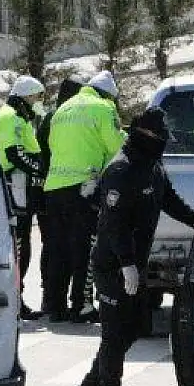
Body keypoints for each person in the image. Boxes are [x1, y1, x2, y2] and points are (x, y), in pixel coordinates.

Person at [69, 107, 194, 386]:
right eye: (157, 137)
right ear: (144, 136)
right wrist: (127, 265)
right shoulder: (120, 170)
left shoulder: (153, 167)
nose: (162, 143)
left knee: (132, 329)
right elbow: (113, 225)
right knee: (114, 337)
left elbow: (169, 200)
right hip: (113, 265)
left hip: (136, 265)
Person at [44, 71, 125, 323]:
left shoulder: (63, 109)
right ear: (109, 94)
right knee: (85, 250)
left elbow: (52, 146)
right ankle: (82, 305)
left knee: (58, 250)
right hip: (84, 189)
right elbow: (117, 147)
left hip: (54, 187)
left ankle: (55, 307)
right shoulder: (104, 107)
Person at [0, 75, 46, 321]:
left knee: (24, 243)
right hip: (16, 187)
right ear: (24, 98)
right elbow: (13, 153)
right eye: (34, 98)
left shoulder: (17, 117)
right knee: (19, 245)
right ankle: (15, 300)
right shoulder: (9, 118)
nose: (36, 103)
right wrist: (39, 168)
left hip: (23, 187)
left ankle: (18, 298)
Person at [36, 77, 83, 317]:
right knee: (71, 247)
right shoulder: (72, 116)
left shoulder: (50, 117)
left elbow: (43, 152)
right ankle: (68, 303)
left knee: (53, 248)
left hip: (48, 189)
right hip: (69, 189)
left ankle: (51, 302)